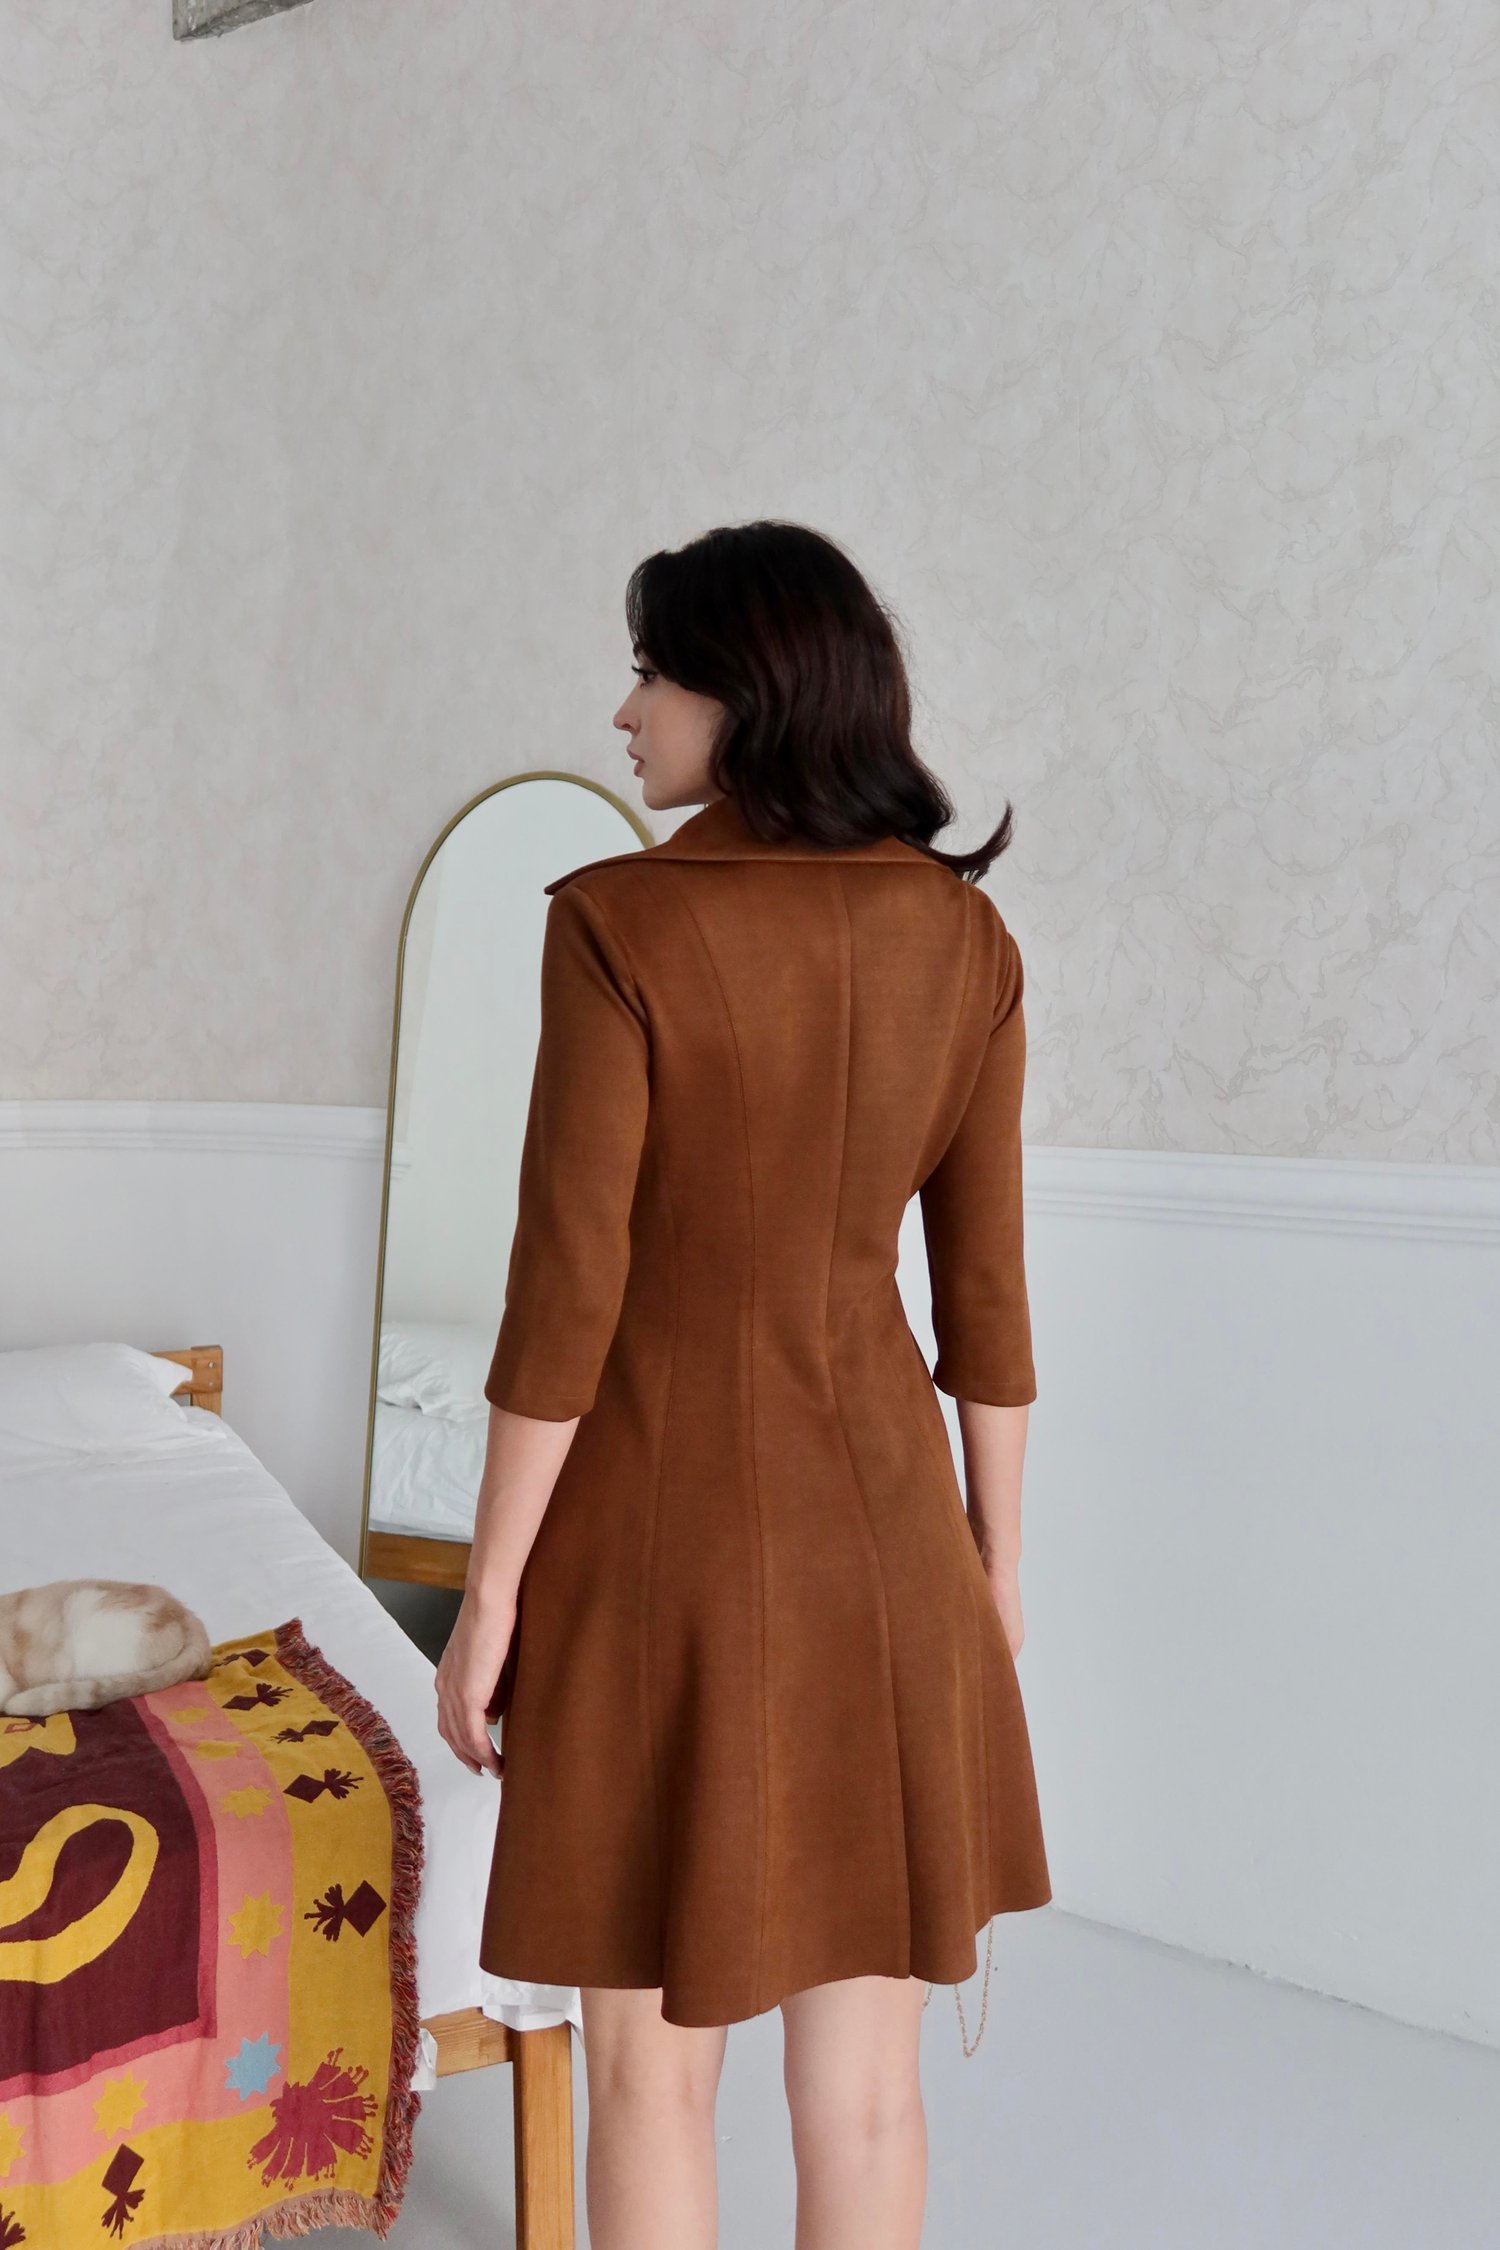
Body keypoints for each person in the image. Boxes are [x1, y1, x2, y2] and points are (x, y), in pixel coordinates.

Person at [435, 520, 1050, 2250]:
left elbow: (567, 1302)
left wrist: (489, 1596)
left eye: (652, 672)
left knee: (651, 2083)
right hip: (891, 1550)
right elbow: (987, 1304)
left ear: (747, 692)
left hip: (662, 1555)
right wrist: (995, 1570)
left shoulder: (618, 922)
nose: (625, 712)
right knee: (867, 2094)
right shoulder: (964, 940)